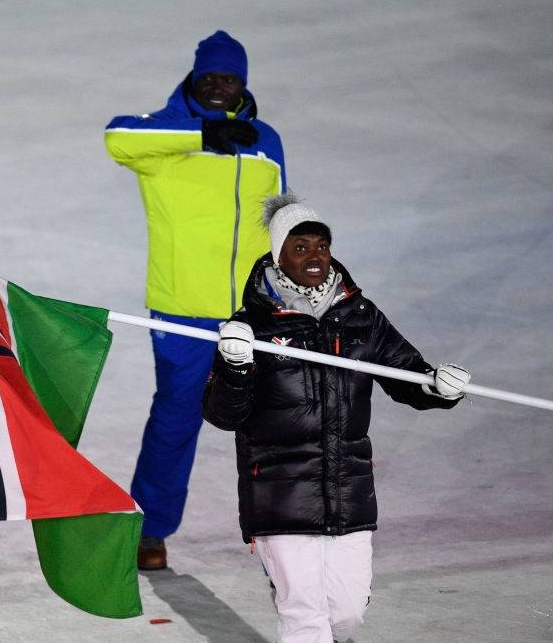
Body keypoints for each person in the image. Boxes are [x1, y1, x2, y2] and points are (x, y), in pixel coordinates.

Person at [201, 193, 470, 643]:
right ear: (277, 253)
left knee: (346, 616)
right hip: (279, 494)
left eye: (321, 246)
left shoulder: (360, 316)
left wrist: (437, 387)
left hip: (348, 491)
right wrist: (235, 366)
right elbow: (222, 414)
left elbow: (406, 374)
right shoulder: (252, 327)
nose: (313, 257)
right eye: (299, 247)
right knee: (305, 618)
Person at [104, 30, 286, 569]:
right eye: (208, 77)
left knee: (274, 423)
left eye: (228, 79)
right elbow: (116, 137)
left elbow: (279, 214)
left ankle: (286, 535)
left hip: (254, 310)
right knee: (176, 418)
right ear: (193, 78)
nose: (216, 86)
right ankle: (150, 529)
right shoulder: (162, 134)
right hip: (182, 308)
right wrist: (202, 135)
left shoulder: (265, 138)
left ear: (242, 84)